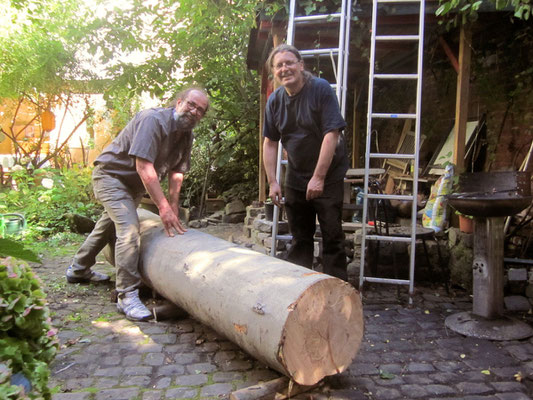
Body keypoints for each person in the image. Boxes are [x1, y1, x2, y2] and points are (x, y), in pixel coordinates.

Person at [66, 88, 209, 321]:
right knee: (129, 230)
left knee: (107, 227)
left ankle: (78, 269)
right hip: (111, 177)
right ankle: (127, 295)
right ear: (179, 101)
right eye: (191, 104)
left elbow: (177, 172)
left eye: (200, 110)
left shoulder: (186, 135)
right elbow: (144, 167)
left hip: (132, 187)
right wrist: (162, 207)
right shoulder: (152, 120)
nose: (194, 111)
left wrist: (173, 205)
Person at [262, 44, 349, 281]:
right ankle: (298, 290)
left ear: (301, 65)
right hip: (297, 174)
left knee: (332, 234)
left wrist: (319, 177)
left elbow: (332, 134)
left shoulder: (320, 89)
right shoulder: (275, 101)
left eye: (289, 62)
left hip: (328, 174)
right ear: (274, 72)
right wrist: (273, 182)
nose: (284, 68)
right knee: (300, 237)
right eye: (279, 65)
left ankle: (337, 290)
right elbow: (270, 143)